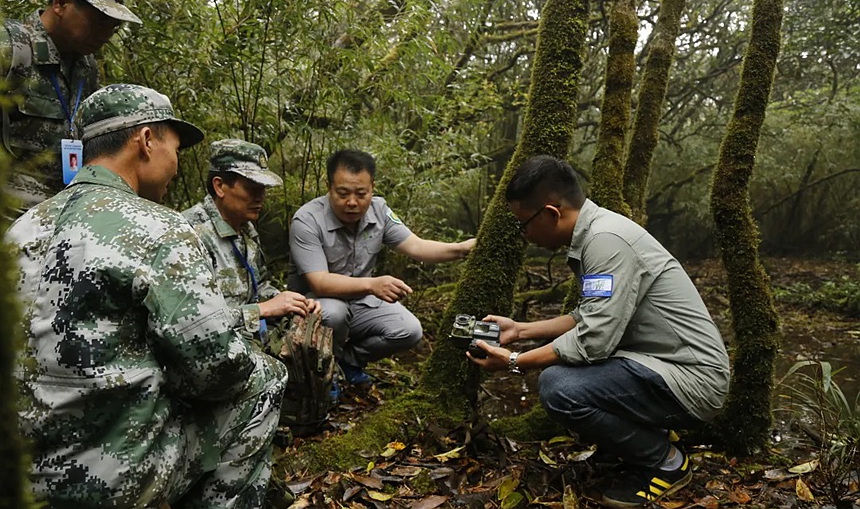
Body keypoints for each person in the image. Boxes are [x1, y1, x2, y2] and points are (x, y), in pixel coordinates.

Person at [6, 83, 286, 508]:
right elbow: (217, 369)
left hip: (20, 472)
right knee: (263, 378)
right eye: (175, 148)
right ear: (146, 139)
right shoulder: (159, 227)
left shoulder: (22, 227)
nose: (176, 166)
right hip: (106, 480)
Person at [468, 156, 730, 508]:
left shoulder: (606, 241)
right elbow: (588, 316)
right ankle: (634, 446)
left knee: (558, 386)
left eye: (524, 224)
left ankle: (667, 462)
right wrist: (520, 330)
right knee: (567, 374)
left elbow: (594, 339)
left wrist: (516, 361)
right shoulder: (598, 233)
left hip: (692, 380)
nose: (524, 235)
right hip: (658, 365)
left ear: (551, 213)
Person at [289, 149, 476, 385]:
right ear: (329, 187)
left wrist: (462, 249)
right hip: (316, 303)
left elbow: (417, 247)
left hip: (359, 302)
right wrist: (372, 284)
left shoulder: (379, 211)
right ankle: (324, 374)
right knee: (334, 313)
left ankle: (349, 362)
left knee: (409, 330)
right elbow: (320, 282)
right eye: (343, 193)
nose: (352, 202)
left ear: (372, 188)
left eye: (361, 193)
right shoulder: (307, 220)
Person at [1, 0, 141, 213]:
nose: (106, 34)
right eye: (99, 20)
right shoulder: (10, 49)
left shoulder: (85, 68)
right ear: (61, 3)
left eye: (114, 25)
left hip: (63, 218)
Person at [183, 138, 321, 342]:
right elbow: (193, 322)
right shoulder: (190, 234)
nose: (261, 197)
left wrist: (293, 302)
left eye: (263, 188)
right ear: (220, 186)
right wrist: (262, 309)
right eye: (252, 188)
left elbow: (257, 286)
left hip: (248, 340)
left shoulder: (245, 229)